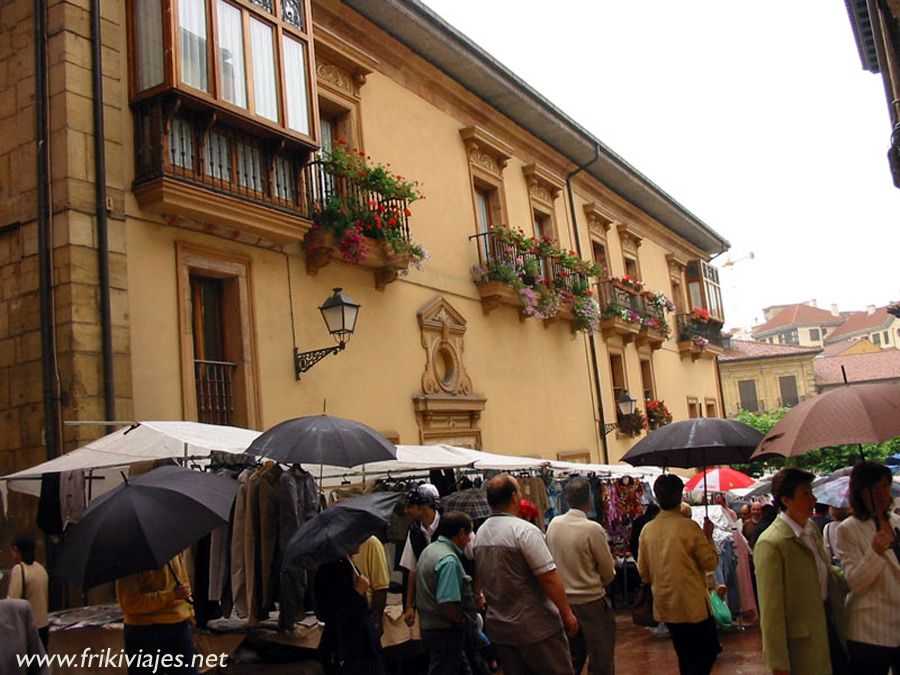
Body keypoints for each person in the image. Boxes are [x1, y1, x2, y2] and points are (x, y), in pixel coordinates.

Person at [474, 473, 578, 675]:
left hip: (501, 629)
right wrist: (566, 612)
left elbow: (479, 574)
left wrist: (478, 595)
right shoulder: (524, 531)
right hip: (536, 628)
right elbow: (548, 576)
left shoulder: (480, 533)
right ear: (514, 497)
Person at [754, 467, 849, 675]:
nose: (813, 499)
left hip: (829, 626)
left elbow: (825, 571)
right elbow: (771, 612)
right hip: (802, 645)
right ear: (786, 500)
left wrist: (855, 575)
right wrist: (777, 663)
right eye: (806, 494)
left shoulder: (811, 529)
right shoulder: (772, 543)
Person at [637, 473, 720, 675]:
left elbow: (644, 572)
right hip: (693, 605)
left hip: (666, 603)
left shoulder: (648, 530)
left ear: (657, 496)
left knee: (684, 654)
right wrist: (708, 536)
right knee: (708, 650)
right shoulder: (689, 527)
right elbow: (710, 562)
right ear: (681, 495)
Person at [834, 461, 900, 674]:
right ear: (860, 493)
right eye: (873, 488)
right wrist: (875, 553)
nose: (880, 494)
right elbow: (855, 583)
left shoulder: (897, 522)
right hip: (869, 628)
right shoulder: (848, 530)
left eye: (884, 486)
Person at [546, 477, 617, 675]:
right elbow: (608, 571)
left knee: (571, 659)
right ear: (589, 499)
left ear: (567, 499)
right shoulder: (592, 529)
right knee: (601, 659)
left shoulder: (554, 525)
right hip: (591, 601)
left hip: (563, 602)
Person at [416, 511, 477, 675]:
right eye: (469, 534)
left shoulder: (430, 550)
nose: (470, 540)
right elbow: (446, 601)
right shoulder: (448, 560)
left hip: (429, 626)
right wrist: (460, 619)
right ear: (461, 533)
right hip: (444, 629)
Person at [116, 553, 198, 675]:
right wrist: (171, 595)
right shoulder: (130, 559)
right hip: (144, 631)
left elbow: (183, 581)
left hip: (178, 626)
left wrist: (189, 611)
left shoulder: (172, 548)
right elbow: (129, 603)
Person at [314, 554, 385, 675]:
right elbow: (337, 614)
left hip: (365, 644)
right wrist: (358, 592)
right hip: (348, 648)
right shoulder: (330, 571)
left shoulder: (348, 565)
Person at [401, 484, 442, 627]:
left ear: (422, 506)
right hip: (427, 603)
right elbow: (412, 570)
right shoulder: (414, 532)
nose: (406, 511)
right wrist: (408, 606)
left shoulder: (449, 525)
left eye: (409, 506)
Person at [7, 534, 50, 650]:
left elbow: (12, 602)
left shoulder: (19, 569)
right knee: (41, 665)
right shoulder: (41, 569)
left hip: (27, 629)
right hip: (43, 626)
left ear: (16, 550)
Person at [351, 535, 390, 636]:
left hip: (364, 615)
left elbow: (381, 588)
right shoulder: (336, 554)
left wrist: (376, 622)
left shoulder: (371, 543)